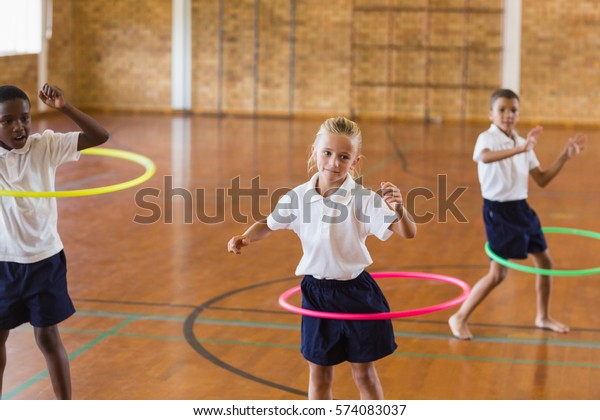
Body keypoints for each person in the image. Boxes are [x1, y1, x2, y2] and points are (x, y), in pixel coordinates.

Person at [227, 116, 416, 399]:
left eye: (344, 156)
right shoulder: (297, 197)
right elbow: (268, 223)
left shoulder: (363, 199)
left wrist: (400, 209)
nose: (334, 162)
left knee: (363, 373)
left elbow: (408, 232)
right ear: (314, 152)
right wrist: (246, 237)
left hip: (357, 294)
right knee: (319, 375)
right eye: (327, 153)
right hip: (316, 293)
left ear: (355, 161)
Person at [449, 88, 587, 340]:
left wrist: (564, 157)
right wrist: (521, 150)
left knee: (545, 263)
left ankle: (543, 316)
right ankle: (459, 316)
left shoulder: (524, 143)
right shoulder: (486, 139)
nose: (508, 115)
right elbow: (485, 158)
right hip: (498, 212)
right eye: (501, 110)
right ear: (490, 114)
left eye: (513, 110)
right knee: (498, 274)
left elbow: (542, 179)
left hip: (522, 209)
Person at [0, 84, 109, 399]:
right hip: (4, 262)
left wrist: (65, 108)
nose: (19, 126)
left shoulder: (44, 146)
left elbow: (100, 137)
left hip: (45, 260)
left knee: (48, 337)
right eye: (7, 121)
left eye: (24, 117)